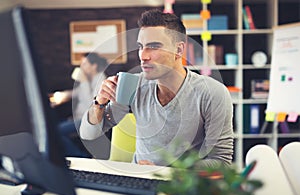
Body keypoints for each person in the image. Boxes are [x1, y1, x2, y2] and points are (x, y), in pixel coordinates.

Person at [80, 9, 234, 168]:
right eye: (141, 46)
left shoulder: (212, 93)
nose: (143, 56)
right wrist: (99, 102)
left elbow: (221, 161)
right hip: (140, 182)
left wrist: (164, 171)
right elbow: (88, 134)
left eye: (153, 46)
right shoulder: (134, 85)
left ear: (178, 50)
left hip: (182, 185)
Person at [52, 52, 108, 157]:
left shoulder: (101, 80)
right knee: (53, 126)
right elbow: (76, 93)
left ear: (94, 66)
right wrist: (59, 96)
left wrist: (84, 82)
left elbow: (91, 104)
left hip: (86, 119)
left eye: (85, 64)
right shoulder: (89, 80)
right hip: (77, 118)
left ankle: (80, 156)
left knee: (56, 131)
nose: (82, 67)